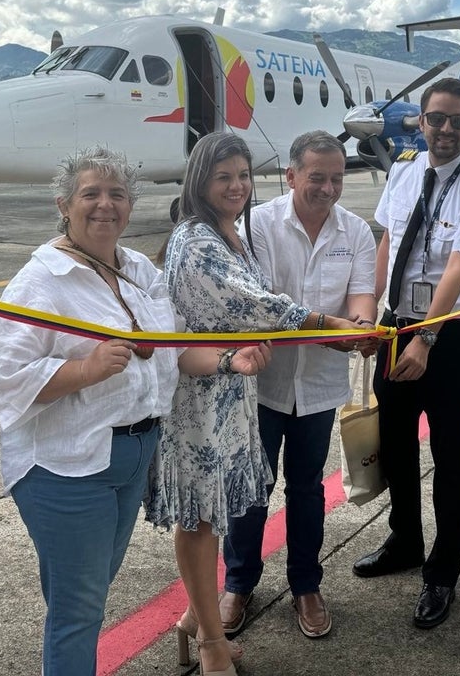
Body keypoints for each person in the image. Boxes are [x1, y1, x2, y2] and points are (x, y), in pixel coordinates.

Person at [0, 147, 270, 676]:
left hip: (131, 460)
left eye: (117, 194)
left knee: (90, 592)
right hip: (66, 466)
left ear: (131, 207)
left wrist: (232, 360)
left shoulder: (138, 269)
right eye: (90, 194)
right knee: (78, 610)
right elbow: (2, 382)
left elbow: (176, 350)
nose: (105, 205)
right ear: (64, 205)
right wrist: (85, 370)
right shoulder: (41, 282)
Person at [146, 132, 363, 675]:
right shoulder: (210, 236)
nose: (236, 186)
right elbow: (256, 304)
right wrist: (323, 322)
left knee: (250, 502)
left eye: (243, 175)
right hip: (213, 398)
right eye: (223, 177)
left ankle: (214, 616)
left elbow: (249, 311)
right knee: (215, 512)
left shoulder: (232, 234)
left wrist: (352, 326)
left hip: (245, 388)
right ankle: (220, 624)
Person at [351, 77, 460, 630]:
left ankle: (443, 571)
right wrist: (374, 314)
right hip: (396, 327)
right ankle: (406, 541)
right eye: (437, 118)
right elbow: (388, 240)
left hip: (447, 335)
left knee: (452, 452)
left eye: (458, 121)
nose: (445, 129)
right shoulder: (404, 169)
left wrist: (428, 336)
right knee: (393, 443)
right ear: (421, 118)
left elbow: (459, 267)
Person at [220, 131, 378, 640]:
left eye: (337, 178)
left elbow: (362, 299)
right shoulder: (258, 225)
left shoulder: (355, 232)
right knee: (252, 487)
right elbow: (263, 305)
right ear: (290, 176)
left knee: (307, 489)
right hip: (262, 384)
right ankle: (239, 583)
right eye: (317, 177)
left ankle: (306, 584)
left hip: (318, 389)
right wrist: (333, 328)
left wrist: (360, 329)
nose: (329, 188)